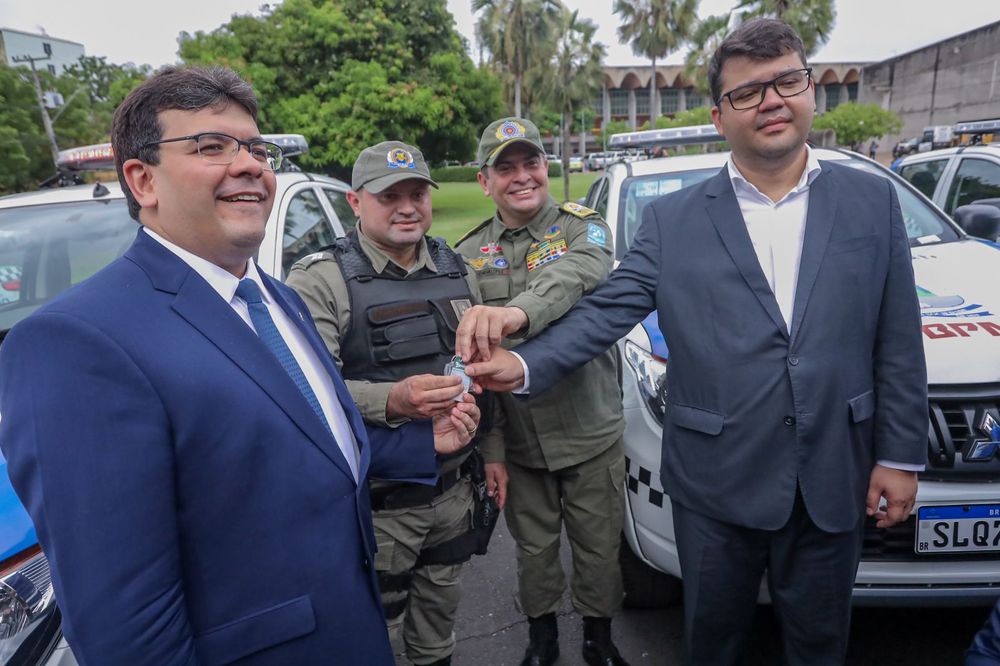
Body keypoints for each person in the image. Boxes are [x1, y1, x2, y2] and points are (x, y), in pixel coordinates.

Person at [459, 20, 927, 666]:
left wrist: (900, 456)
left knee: (821, 645)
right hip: (715, 486)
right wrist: (524, 363)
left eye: (786, 81)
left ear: (811, 90)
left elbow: (898, 340)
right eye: (747, 92)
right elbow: (609, 310)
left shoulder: (871, 202)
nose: (770, 100)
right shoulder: (673, 220)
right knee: (713, 643)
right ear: (718, 114)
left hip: (831, 477)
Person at [0, 66, 479, 665]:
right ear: (142, 179)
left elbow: (297, 446)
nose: (250, 163)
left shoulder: (275, 297)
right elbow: (127, 629)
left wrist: (419, 444)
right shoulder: (74, 343)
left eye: (255, 147)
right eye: (210, 146)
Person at [286, 140, 506, 666]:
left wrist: (493, 450)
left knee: (438, 628)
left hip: (454, 492)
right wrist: (395, 400)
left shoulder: (458, 268)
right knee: (373, 636)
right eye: (390, 196)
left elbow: (483, 373)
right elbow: (304, 392)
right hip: (378, 506)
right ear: (356, 203)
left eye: (417, 193)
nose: (407, 207)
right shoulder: (321, 280)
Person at [454, 117, 630, 666]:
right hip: (523, 440)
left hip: (590, 429)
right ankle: (542, 638)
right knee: (534, 553)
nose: (522, 176)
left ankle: (599, 641)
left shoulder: (583, 227)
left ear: (546, 167)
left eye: (530, 163)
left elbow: (578, 275)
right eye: (505, 168)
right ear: (485, 182)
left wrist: (514, 313)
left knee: (599, 549)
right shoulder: (468, 254)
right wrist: (494, 453)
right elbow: (476, 368)